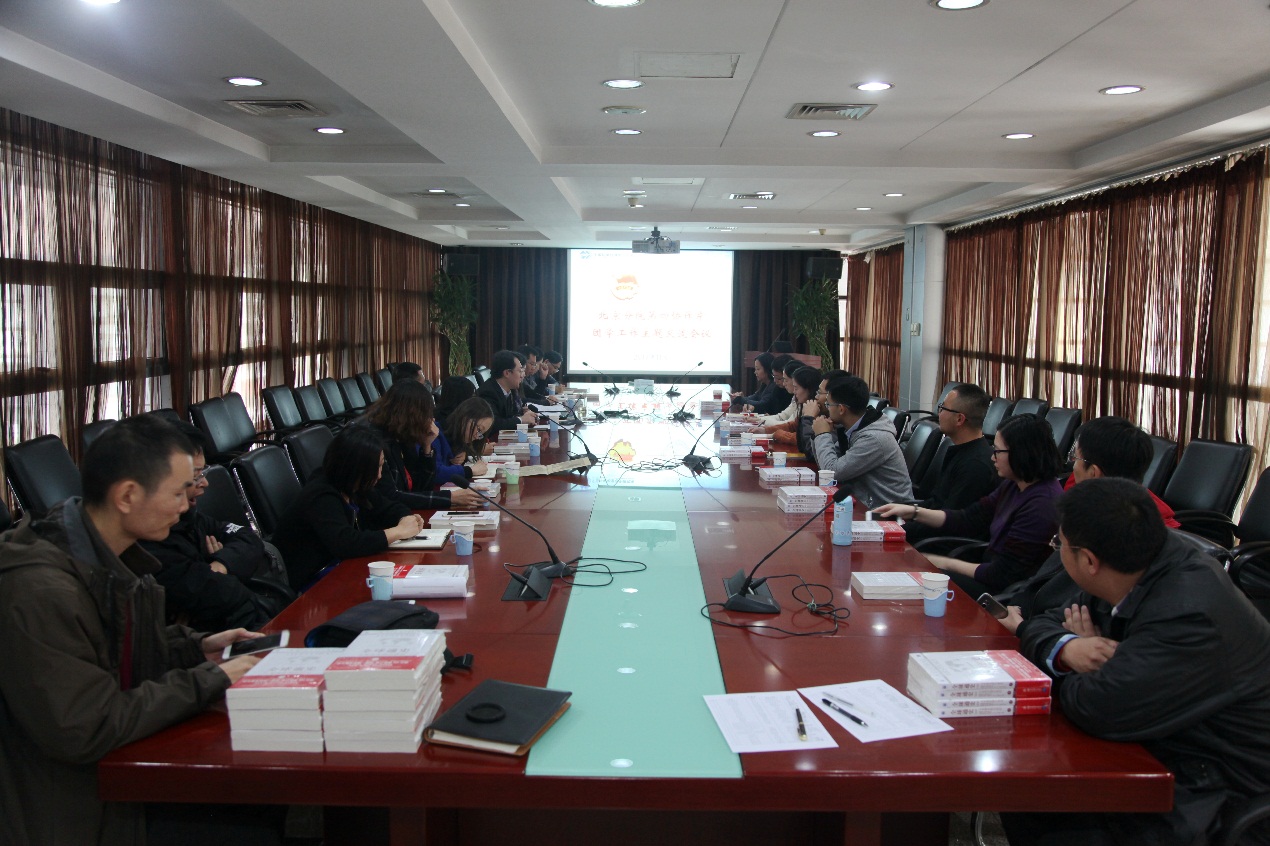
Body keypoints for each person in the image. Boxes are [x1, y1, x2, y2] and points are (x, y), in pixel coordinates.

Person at [0, 415, 264, 844]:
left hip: (112, 776)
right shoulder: (42, 592)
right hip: (69, 806)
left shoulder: (104, 553)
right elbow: (86, 726)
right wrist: (209, 679)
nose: (186, 506)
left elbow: (115, 650)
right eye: (177, 493)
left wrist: (196, 648)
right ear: (126, 495)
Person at [1003, 478, 1270, 846]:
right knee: (1027, 789)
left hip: (1218, 790)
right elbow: (1043, 621)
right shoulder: (1133, 562)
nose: (1057, 551)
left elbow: (1096, 707)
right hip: (1161, 744)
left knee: (1043, 801)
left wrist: (1093, 670)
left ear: (1088, 561)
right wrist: (1069, 649)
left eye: (1058, 544)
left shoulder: (1190, 613)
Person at [996, 415, 1181, 635]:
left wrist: (1025, 629)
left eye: (1075, 458)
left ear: (1093, 472)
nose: (1072, 465)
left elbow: (1072, 618)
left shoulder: (1116, 540)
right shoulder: (1092, 515)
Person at [875, 413, 1062, 595]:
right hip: (987, 571)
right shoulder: (1015, 484)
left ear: (1021, 454)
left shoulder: (1041, 504)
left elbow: (1001, 575)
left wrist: (941, 562)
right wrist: (914, 511)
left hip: (1001, 590)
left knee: (913, 574)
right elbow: (969, 518)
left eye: (998, 451)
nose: (993, 457)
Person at [139, 422, 290, 632]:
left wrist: (220, 565)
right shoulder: (151, 546)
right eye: (194, 477)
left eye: (202, 473)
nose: (205, 483)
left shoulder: (189, 516)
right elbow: (223, 594)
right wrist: (217, 571)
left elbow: (248, 537)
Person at [271, 425, 427, 587]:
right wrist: (398, 531)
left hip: (342, 568)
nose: (380, 475)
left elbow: (388, 507)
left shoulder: (355, 485)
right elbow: (347, 543)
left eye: (381, 465)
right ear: (355, 467)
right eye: (376, 467)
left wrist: (406, 518)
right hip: (313, 580)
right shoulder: (321, 495)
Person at [361, 380, 484, 506]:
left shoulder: (402, 437)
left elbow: (422, 487)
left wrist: (427, 447)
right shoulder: (376, 443)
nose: (430, 420)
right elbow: (392, 496)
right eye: (425, 414)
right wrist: (450, 498)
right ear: (410, 415)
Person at [905, 382, 997, 542]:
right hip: (930, 531)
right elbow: (937, 503)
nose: (938, 413)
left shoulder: (976, 465)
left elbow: (951, 524)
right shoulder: (960, 450)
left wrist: (899, 529)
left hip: (942, 544)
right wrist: (902, 512)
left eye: (942, 408)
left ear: (959, 419)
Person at [811, 374, 913, 506]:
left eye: (828, 404)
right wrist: (818, 434)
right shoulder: (854, 428)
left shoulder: (873, 438)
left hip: (888, 511)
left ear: (841, 409)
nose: (827, 408)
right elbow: (826, 465)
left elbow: (831, 472)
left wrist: (822, 434)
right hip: (865, 503)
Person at [476, 349, 538, 436]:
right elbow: (493, 424)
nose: (522, 375)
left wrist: (522, 413)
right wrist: (521, 420)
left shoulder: (509, 390)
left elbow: (508, 416)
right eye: (520, 371)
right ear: (507, 373)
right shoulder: (488, 392)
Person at [444, 396, 495, 478]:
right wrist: (469, 471)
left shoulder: (461, 440)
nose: (477, 437)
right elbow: (437, 472)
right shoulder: (438, 435)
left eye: (482, 433)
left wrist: (466, 454)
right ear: (465, 417)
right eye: (479, 429)